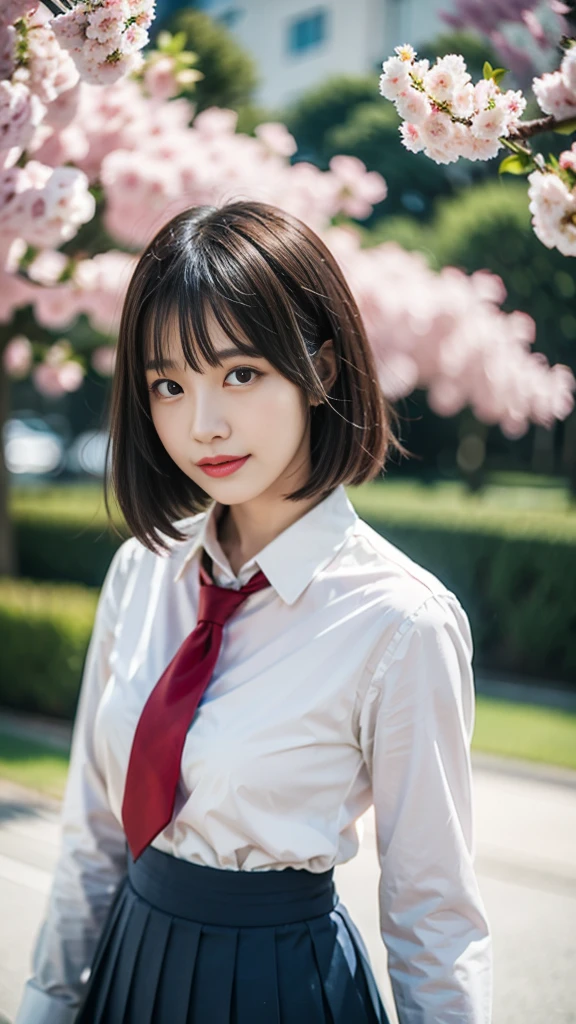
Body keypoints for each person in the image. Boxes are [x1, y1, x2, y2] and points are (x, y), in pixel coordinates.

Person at [15, 199, 492, 1024]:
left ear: (326, 369)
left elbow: (434, 917)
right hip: (128, 971)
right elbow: (92, 838)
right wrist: (47, 1005)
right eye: (169, 384)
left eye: (241, 373)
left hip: (282, 991)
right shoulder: (143, 572)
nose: (204, 424)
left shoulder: (400, 621)